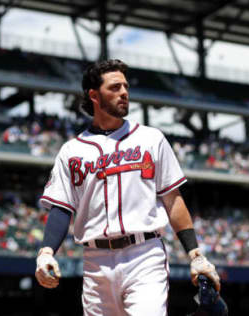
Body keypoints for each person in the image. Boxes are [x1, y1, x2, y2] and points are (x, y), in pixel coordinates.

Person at [35, 59, 220, 315]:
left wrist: (195, 254)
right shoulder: (72, 151)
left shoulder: (151, 138)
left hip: (144, 254)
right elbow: (62, 207)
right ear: (94, 95)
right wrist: (46, 252)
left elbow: (173, 200)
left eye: (125, 86)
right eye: (114, 87)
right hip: (95, 261)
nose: (124, 92)